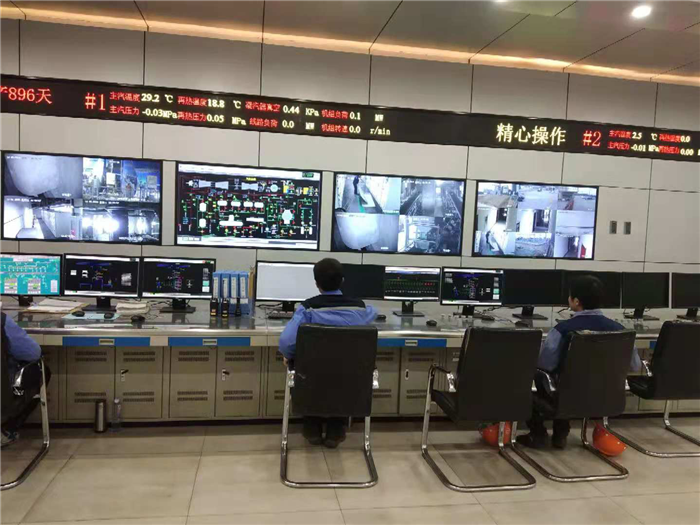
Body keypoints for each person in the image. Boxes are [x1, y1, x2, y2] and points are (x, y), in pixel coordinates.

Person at [516, 275, 641, 450]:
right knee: (569, 380)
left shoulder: (562, 330)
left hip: (567, 398)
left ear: (575, 301)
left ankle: (538, 434)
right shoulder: (622, 332)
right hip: (607, 399)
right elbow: (635, 366)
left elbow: (544, 364)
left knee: (533, 378)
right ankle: (560, 434)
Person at [278, 258, 377, 448]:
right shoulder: (360, 309)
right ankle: (336, 426)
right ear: (342, 281)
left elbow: (286, 342)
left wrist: (287, 355)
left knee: (308, 369)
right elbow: (373, 313)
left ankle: (312, 423)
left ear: (316, 283)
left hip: (312, 379)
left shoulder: (307, 309)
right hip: (348, 380)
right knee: (341, 371)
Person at [1, 312, 51, 447]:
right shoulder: (2, 321)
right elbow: (32, 353)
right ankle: (7, 430)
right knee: (42, 370)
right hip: (3, 388)